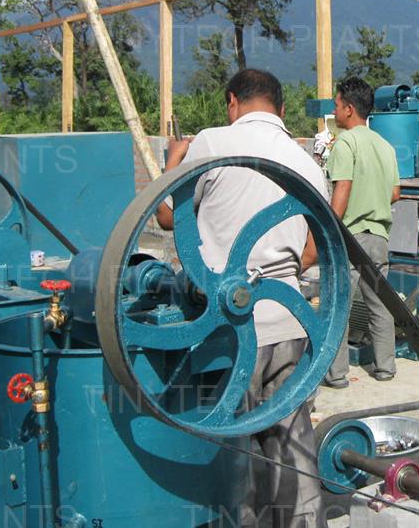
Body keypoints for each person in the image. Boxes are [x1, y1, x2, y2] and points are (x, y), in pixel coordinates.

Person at [156, 68, 327, 528]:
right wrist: (280, 272)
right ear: (282, 108)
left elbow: (168, 218)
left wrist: (172, 161)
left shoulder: (212, 143)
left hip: (229, 330)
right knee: (292, 441)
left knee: (234, 448)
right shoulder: (307, 160)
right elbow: (317, 246)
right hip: (293, 322)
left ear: (232, 102)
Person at [323, 76, 401, 387]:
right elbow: (395, 193)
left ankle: (336, 374)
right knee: (380, 305)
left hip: (350, 236)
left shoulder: (346, 143)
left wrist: (327, 228)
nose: (334, 110)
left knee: (337, 306)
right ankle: (385, 368)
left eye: (337, 105)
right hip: (379, 237)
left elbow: (343, 187)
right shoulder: (385, 145)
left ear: (350, 109)